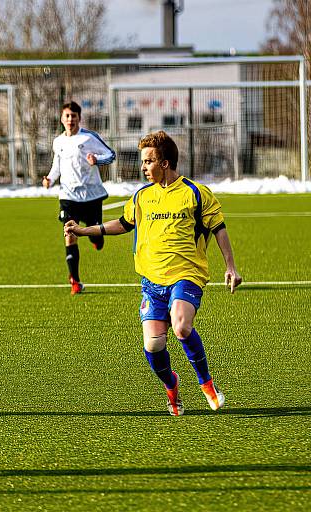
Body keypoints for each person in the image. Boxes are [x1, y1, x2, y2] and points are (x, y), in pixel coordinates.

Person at [65, 130, 242, 416]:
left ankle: (207, 384)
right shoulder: (142, 197)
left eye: (149, 161)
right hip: (151, 282)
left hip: (186, 274)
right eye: (143, 161)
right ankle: (172, 386)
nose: (143, 167)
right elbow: (123, 223)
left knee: (182, 326)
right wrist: (85, 231)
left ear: (166, 163)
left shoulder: (195, 193)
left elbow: (218, 228)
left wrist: (230, 266)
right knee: (153, 343)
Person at [43, 101, 116, 295]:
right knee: (70, 234)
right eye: (67, 116)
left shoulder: (89, 137)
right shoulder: (58, 141)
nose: (70, 119)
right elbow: (56, 166)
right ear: (62, 118)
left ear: (79, 118)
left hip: (91, 195)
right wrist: (50, 179)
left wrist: (97, 160)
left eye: (73, 116)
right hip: (68, 196)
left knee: (95, 234)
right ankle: (75, 281)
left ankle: (96, 238)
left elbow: (111, 154)